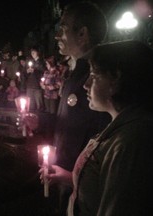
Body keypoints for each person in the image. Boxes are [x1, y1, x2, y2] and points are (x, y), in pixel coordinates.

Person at [40, 40, 153, 216]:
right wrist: (70, 177)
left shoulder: (132, 142)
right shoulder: (123, 127)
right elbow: (105, 187)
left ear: (116, 79)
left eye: (94, 75)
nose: (86, 84)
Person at [51, 2, 111, 214]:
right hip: (65, 174)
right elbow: (67, 120)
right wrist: (39, 120)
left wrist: (71, 176)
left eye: (64, 28)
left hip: (83, 188)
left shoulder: (102, 78)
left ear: (82, 33)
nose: (58, 36)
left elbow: (103, 140)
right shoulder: (75, 71)